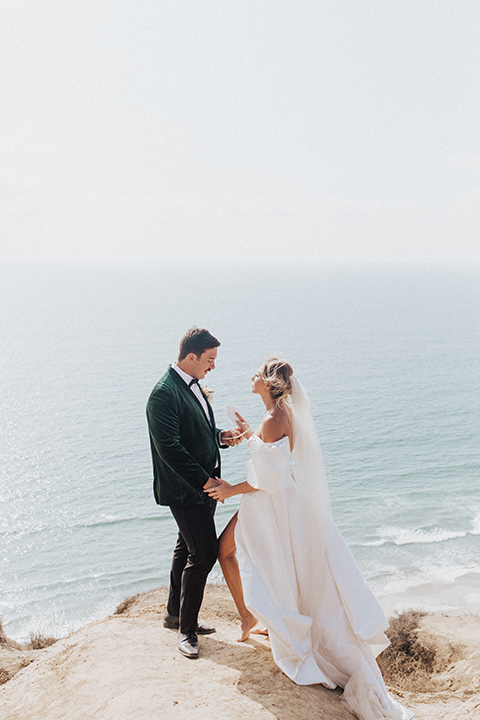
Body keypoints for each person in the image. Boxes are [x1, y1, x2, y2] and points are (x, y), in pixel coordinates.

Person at [205, 358, 414, 720]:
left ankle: (261, 621)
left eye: (259, 372)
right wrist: (249, 436)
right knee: (264, 562)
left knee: (251, 559)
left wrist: (228, 489)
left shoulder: (275, 418)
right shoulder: (278, 413)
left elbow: (265, 480)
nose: (252, 375)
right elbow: (273, 459)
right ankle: (253, 620)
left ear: (269, 384)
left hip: (272, 505)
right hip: (281, 501)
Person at [146, 327, 241, 659]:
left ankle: (174, 615)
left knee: (185, 547)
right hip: (186, 489)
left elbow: (196, 431)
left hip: (202, 484)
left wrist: (221, 437)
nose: (213, 366)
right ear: (191, 357)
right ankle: (186, 631)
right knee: (203, 555)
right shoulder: (163, 393)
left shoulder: (192, 385)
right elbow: (170, 449)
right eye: (210, 360)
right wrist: (207, 482)